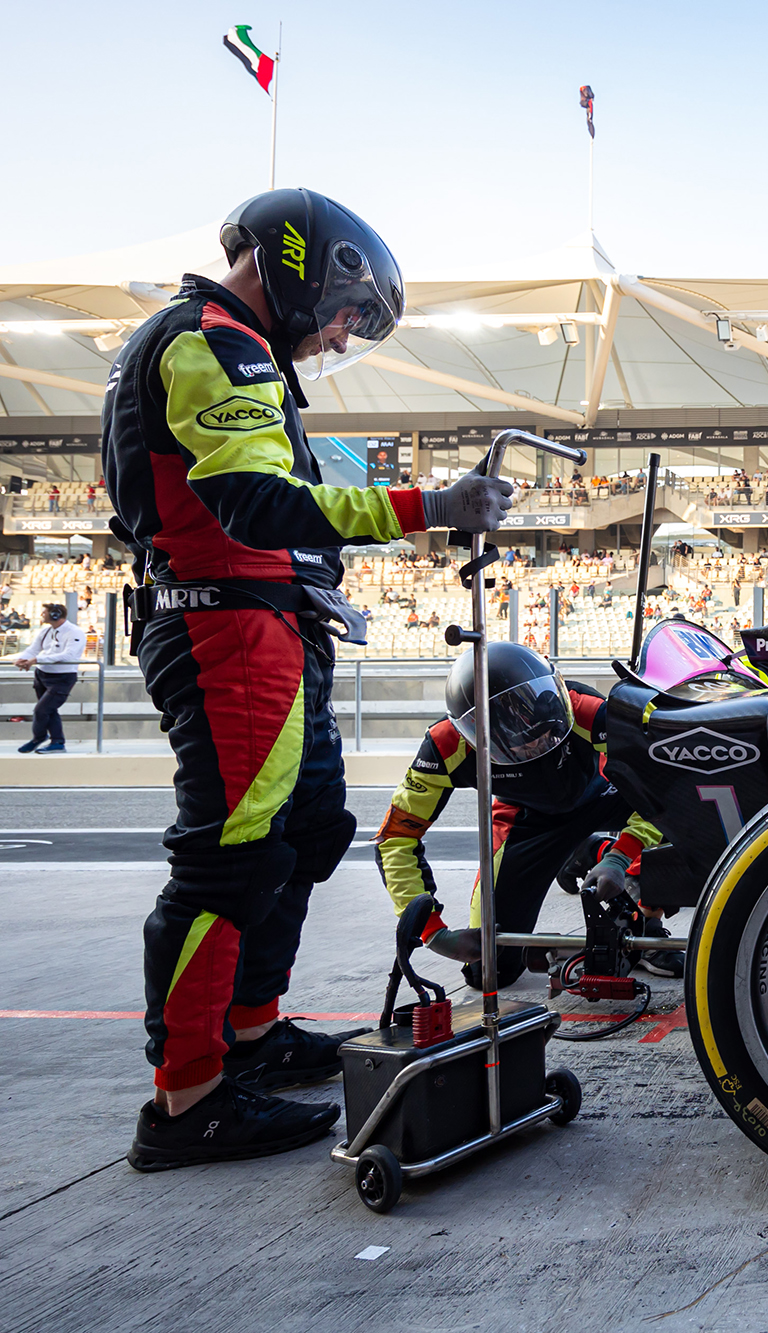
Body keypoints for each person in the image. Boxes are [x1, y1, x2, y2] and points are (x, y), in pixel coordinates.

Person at [108, 188, 517, 1172]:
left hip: (266, 625)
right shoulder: (215, 339)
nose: (337, 336)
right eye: (343, 314)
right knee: (229, 858)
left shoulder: (230, 343)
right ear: (302, 265)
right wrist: (429, 505)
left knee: (311, 828)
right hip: (227, 632)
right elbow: (255, 501)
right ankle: (188, 1098)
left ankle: (252, 1031)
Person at [375, 643, 669, 989]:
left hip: (607, 794)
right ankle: (585, 850)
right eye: (516, 744)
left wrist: (622, 855)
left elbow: (664, 783)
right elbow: (396, 838)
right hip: (527, 819)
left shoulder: (588, 710)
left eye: (543, 735)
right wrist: (431, 932)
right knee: (489, 969)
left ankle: (648, 921)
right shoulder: (445, 744)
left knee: (685, 816)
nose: (534, 747)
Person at [12, 602, 85, 753]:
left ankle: (39, 737)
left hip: (62, 678)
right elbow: (33, 649)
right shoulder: (46, 631)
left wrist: (37, 659)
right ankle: (57, 742)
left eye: (44, 612)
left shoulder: (74, 632)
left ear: (55, 615)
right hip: (42, 675)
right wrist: (22, 659)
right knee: (50, 710)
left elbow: (68, 655)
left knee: (42, 710)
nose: (42, 615)